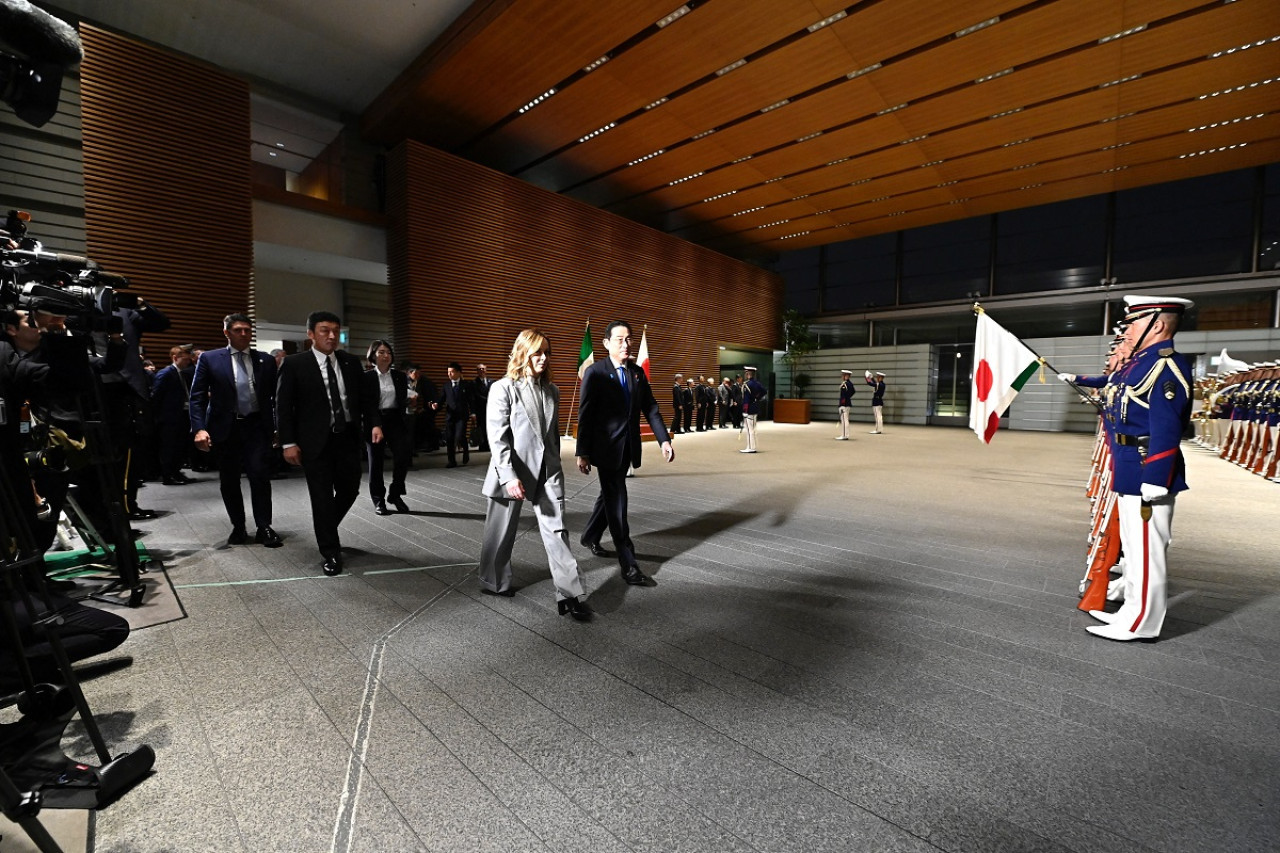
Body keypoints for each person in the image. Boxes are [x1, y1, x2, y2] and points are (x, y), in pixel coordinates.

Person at [1062, 295, 1194, 642]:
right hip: (1129, 466)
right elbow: (1115, 388)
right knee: (1135, 552)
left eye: (1135, 322)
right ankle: (1130, 613)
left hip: (1147, 470)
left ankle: (1142, 624)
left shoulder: (1165, 366)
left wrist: (1155, 478)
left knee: (1148, 554)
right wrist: (1078, 377)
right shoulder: (1140, 364)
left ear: (1159, 325)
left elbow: (1166, 427)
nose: (1128, 329)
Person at [479, 329, 590, 620]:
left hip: (548, 473)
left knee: (558, 532)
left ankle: (569, 593)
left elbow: (551, 438)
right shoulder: (504, 388)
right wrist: (508, 475)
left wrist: (561, 467)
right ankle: (493, 581)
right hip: (512, 473)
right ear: (522, 353)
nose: (543, 357)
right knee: (500, 535)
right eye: (537, 352)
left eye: (547, 352)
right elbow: (497, 438)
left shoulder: (552, 390)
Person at [276, 311, 382, 576]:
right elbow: (282, 406)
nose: (332, 336)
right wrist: (288, 442)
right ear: (310, 334)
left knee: (349, 490)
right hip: (314, 443)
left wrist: (375, 423)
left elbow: (365, 400)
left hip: (346, 439)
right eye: (325, 330)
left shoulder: (349, 362)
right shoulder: (294, 364)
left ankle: (325, 527)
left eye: (335, 330)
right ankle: (330, 551)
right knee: (321, 497)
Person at [576, 320, 674, 586]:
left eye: (628, 339)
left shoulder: (637, 373)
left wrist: (663, 440)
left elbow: (651, 408)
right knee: (618, 503)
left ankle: (589, 536)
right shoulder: (595, 372)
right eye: (619, 339)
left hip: (629, 446)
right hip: (605, 449)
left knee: (609, 494)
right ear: (607, 343)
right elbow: (585, 414)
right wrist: (582, 451)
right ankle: (629, 566)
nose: (626, 344)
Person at [190, 313, 282, 548]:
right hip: (225, 427)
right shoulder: (210, 359)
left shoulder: (265, 361)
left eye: (247, 330)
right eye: (238, 330)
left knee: (260, 476)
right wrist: (199, 428)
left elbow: (276, 397)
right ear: (226, 333)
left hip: (256, 426)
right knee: (229, 480)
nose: (244, 334)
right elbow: (197, 396)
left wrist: (278, 426)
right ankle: (238, 527)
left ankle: (264, 526)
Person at [362, 340, 412, 515]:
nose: (385, 355)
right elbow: (367, 404)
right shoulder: (367, 377)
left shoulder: (399, 376)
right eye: (381, 352)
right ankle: (379, 500)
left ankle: (395, 494)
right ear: (373, 355)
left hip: (395, 421)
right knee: (376, 463)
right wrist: (376, 424)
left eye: (388, 352)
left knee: (403, 457)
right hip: (374, 421)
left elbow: (401, 401)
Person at [150, 345, 196, 485]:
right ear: (175, 358)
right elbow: (155, 396)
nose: (188, 362)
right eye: (186, 359)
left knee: (180, 447)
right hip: (169, 418)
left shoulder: (181, 373)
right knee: (169, 447)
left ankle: (176, 472)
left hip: (181, 415)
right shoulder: (166, 373)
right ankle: (168, 476)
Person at [438, 361, 471, 468]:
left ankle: (465, 450)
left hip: (462, 416)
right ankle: (451, 461)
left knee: (459, 435)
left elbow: (471, 400)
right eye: (448, 372)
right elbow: (441, 399)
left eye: (451, 372)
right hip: (450, 416)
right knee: (449, 438)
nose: (449, 374)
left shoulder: (466, 385)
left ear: (458, 373)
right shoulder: (446, 386)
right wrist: (436, 405)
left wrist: (473, 412)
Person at [740, 366, 766, 453]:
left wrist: (745, 410)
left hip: (749, 409)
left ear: (748, 374)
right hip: (755, 407)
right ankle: (752, 446)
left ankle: (750, 447)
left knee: (749, 430)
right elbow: (764, 391)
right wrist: (756, 398)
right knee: (753, 429)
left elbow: (746, 399)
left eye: (746, 373)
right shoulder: (757, 383)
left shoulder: (747, 384)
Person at [471, 363, 492, 452]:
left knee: (490, 427)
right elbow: (473, 398)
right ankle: (483, 446)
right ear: (477, 371)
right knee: (482, 428)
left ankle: (490, 445)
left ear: (486, 370)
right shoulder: (473, 383)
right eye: (479, 369)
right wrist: (473, 412)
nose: (481, 370)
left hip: (491, 409)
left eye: (483, 369)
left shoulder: (492, 382)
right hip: (480, 410)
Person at [836, 369, 856, 440]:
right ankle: (845, 434)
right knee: (845, 419)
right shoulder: (849, 383)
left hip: (844, 404)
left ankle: (844, 435)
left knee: (844, 420)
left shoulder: (845, 384)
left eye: (843, 375)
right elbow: (853, 391)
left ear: (846, 376)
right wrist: (848, 397)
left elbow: (844, 395)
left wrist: (842, 403)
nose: (842, 376)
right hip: (847, 403)